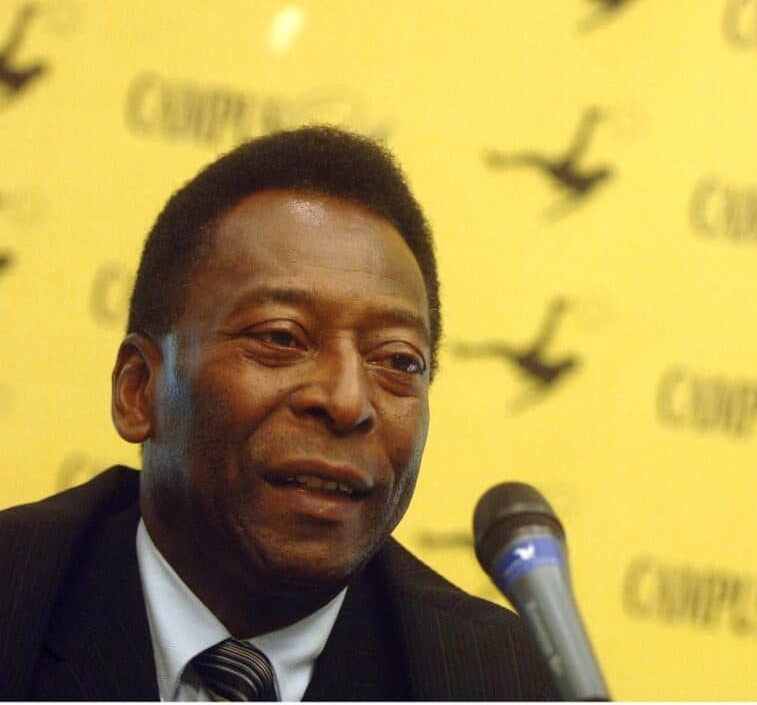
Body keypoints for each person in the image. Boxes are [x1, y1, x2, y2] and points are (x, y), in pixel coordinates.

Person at [0, 126, 556, 700]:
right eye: (282, 338)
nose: (347, 401)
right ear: (139, 390)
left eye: (397, 360)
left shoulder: (504, 683)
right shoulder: (18, 597)